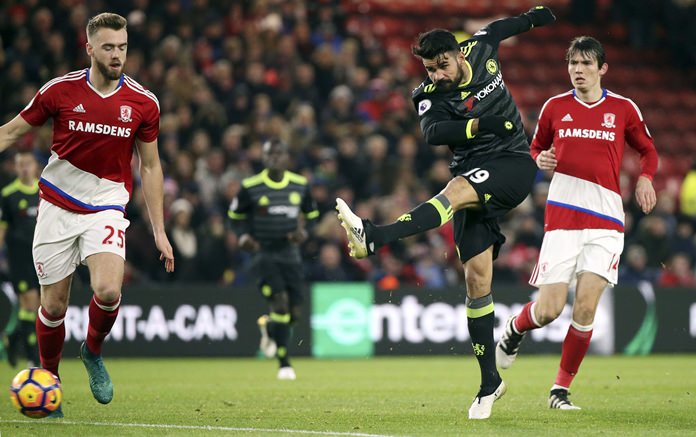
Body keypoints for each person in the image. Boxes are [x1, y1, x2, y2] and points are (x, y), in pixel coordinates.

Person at [335, 6, 556, 419]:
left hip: (511, 165)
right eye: (429, 68)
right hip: (475, 173)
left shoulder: (481, 47)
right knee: (476, 280)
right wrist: (481, 125)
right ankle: (490, 382)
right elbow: (435, 133)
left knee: (454, 191)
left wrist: (538, 15)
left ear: (458, 54)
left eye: (441, 65)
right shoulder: (427, 94)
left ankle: (375, 236)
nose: (436, 74)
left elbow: (506, 26)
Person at [0, 12, 175, 417]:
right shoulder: (59, 92)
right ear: (90, 48)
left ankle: (92, 351)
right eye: (110, 47)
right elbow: (11, 131)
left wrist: (159, 231)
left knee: (109, 290)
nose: (118, 55)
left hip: (107, 205)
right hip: (57, 205)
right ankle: (50, 380)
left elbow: (150, 166)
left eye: (123, 47)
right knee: (55, 307)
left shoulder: (143, 103)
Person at [496, 36, 658, 410]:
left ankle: (559, 391)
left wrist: (646, 177)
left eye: (585, 64)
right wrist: (541, 159)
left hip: (606, 222)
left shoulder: (622, 108)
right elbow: (536, 148)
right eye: (573, 64)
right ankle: (515, 329)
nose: (578, 71)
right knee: (550, 309)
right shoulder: (555, 107)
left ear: (602, 68)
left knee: (585, 308)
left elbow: (648, 150)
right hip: (563, 220)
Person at [228, 138, 319, 380]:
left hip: (291, 254)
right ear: (264, 157)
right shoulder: (250, 186)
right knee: (279, 302)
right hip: (264, 253)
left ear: (287, 158)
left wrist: (304, 231)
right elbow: (234, 217)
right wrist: (243, 236)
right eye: (269, 154)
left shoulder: (300, 185)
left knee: (295, 312)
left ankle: (269, 328)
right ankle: (284, 362)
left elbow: (312, 215)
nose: (274, 158)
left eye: (279, 154)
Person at [0, 151, 41, 368]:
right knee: (29, 302)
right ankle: (33, 358)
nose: (25, 168)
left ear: (35, 166)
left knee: (41, 306)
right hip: (20, 258)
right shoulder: (9, 194)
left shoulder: (44, 192)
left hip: (43, 255)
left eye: (28, 163)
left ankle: (14, 339)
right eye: (20, 164)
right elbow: (3, 228)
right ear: (16, 168)